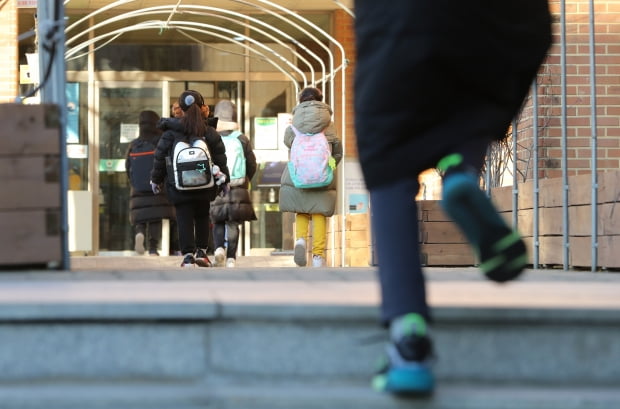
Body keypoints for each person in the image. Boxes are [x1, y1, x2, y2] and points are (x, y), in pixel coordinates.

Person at [353, 0, 552, 396]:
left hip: (396, 30)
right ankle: (462, 170)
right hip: (477, 23)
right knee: (473, 107)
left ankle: (409, 341)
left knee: (390, 169)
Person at [150, 90, 230, 267]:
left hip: (178, 185)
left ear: (181, 109)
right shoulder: (209, 131)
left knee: (183, 217)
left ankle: (187, 255)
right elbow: (220, 158)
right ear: (202, 108)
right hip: (205, 184)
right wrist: (225, 181)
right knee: (202, 215)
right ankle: (201, 252)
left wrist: (156, 180)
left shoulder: (170, 133)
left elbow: (159, 158)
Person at [279, 87, 343, 267]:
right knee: (319, 213)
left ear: (301, 102)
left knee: (302, 209)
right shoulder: (329, 124)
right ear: (321, 100)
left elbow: (287, 142)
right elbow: (338, 151)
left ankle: (300, 240)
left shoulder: (293, 124)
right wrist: (329, 166)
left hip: (300, 175)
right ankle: (318, 257)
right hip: (322, 176)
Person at [210, 100, 258, 268]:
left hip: (216, 185)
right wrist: (246, 179)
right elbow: (252, 164)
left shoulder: (210, 137)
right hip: (238, 185)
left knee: (218, 220)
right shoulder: (241, 138)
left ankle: (218, 250)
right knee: (233, 222)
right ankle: (231, 258)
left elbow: (203, 162)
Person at [125, 110, 176, 256]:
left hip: (138, 188)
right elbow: (168, 163)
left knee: (141, 216)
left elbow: (128, 167)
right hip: (157, 188)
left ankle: (139, 233)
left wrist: (134, 182)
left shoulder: (134, 144)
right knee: (155, 218)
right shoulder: (161, 141)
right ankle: (153, 249)